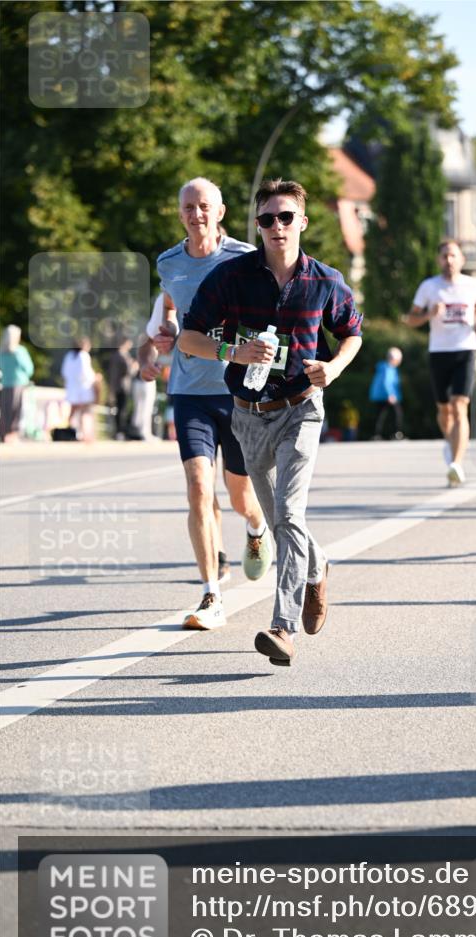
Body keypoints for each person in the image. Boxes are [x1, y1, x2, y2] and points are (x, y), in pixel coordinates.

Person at [178, 178, 362, 665]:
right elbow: (188, 338)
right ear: (257, 226)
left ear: (302, 222)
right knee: (279, 517)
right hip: (247, 414)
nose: (276, 227)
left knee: (290, 514)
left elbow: (352, 334)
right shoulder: (232, 277)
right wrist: (231, 350)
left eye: (285, 217)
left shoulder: (325, 281)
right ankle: (317, 567)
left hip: (301, 409)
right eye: (266, 219)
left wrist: (335, 367)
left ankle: (282, 626)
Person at [138, 177, 271, 631]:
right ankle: (212, 594)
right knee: (198, 485)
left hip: (236, 391)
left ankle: (256, 529)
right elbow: (171, 307)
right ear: (180, 214)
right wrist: (166, 337)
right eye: (189, 207)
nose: (197, 214)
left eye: (204, 206)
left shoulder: (242, 258)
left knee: (240, 497)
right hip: (190, 391)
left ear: (221, 212)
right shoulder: (169, 262)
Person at [404, 240, 476, 486]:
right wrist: (429, 314)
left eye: (453, 255)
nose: (449, 260)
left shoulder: (472, 285)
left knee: (460, 405)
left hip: (465, 350)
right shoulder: (429, 287)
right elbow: (410, 319)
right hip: (439, 352)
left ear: (461, 259)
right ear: (439, 259)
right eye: (444, 256)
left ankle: (457, 463)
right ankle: (451, 444)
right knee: (444, 410)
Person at [0, 324, 34, 443]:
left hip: (5, 383)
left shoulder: (1, 352)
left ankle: (4, 433)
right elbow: (29, 368)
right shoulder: (19, 351)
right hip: (19, 383)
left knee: (5, 409)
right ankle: (13, 434)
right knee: (17, 409)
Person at [61, 336, 99, 442]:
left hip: (72, 389)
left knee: (73, 413)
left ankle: (72, 431)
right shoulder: (83, 356)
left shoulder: (69, 356)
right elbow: (86, 374)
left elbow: (64, 372)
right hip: (84, 389)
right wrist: (95, 378)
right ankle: (85, 434)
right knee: (85, 412)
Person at [370, 346, 404, 440]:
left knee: (380, 416)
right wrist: (390, 395)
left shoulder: (383, 367)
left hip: (379, 396)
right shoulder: (388, 368)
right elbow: (386, 382)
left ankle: (376, 435)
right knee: (396, 414)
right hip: (388, 396)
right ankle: (396, 434)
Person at [108, 335, 137, 439]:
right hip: (122, 386)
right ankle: (120, 431)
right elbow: (128, 371)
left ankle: (118, 431)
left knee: (119, 409)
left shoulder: (115, 355)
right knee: (122, 410)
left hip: (117, 386)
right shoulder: (122, 356)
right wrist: (135, 366)